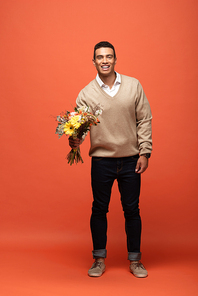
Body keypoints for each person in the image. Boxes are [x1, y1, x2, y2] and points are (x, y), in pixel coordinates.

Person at [69, 41, 152, 278]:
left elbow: (144, 120)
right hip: (102, 161)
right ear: (93, 61)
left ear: (115, 59)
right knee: (99, 209)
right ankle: (98, 259)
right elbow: (81, 127)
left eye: (109, 56)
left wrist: (145, 152)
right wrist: (74, 140)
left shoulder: (133, 86)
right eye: (99, 57)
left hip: (131, 160)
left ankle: (135, 261)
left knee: (132, 210)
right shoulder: (86, 93)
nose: (104, 60)